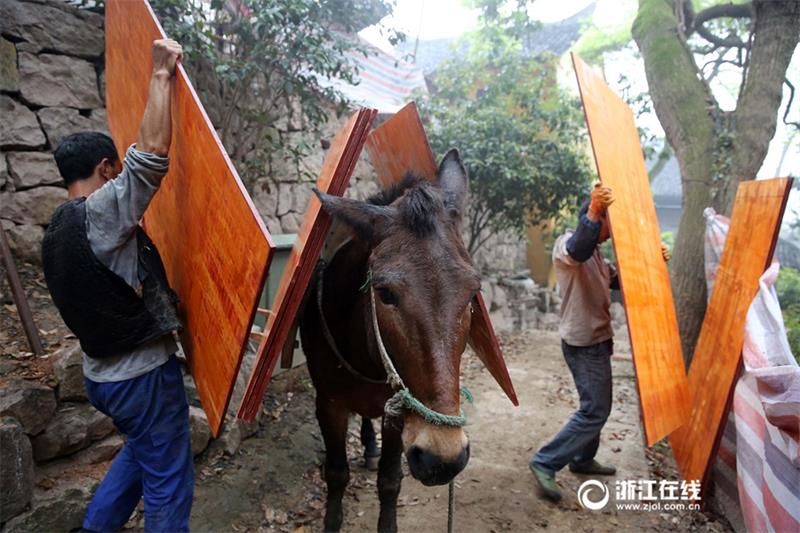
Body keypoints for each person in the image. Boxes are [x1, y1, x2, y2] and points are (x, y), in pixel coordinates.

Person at [41, 39, 192, 531]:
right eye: (116, 172)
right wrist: (161, 72)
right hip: (141, 379)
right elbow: (151, 157)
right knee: (168, 482)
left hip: (102, 378)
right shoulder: (101, 213)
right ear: (106, 169)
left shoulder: (55, 229)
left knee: (139, 457)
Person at [528, 183, 669, 502]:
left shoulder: (598, 256)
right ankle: (545, 461)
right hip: (583, 344)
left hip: (597, 341)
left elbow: (624, 280)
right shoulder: (568, 245)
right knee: (595, 411)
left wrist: (654, 262)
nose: (612, 233)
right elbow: (578, 247)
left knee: (595, 405)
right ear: (597, 218)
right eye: (609, 224)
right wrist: (594, 211)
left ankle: (582, 458)